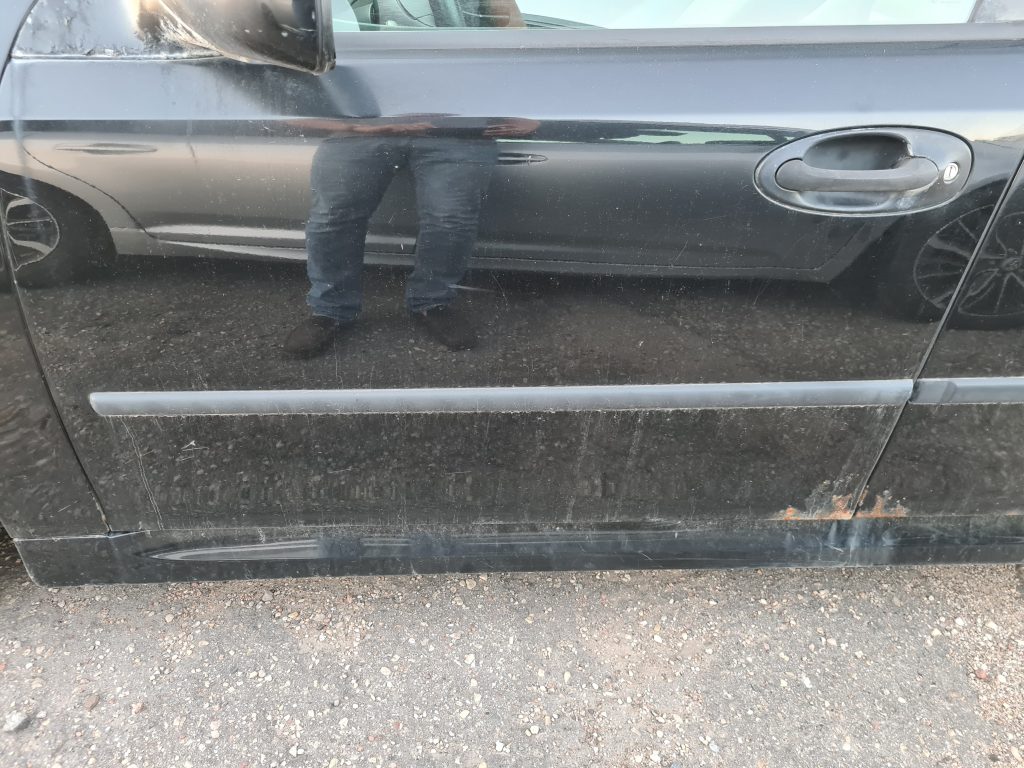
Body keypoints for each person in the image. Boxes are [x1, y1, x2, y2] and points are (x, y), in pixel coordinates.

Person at [284, 0, 529, 359]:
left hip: (457, 122)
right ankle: (330, 310)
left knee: (451, 219)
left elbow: (518, 44)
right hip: (362, 118)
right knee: (333, 217)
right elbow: (296, 39)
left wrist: (527, 108)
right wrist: (352, 126)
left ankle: (432, 302)